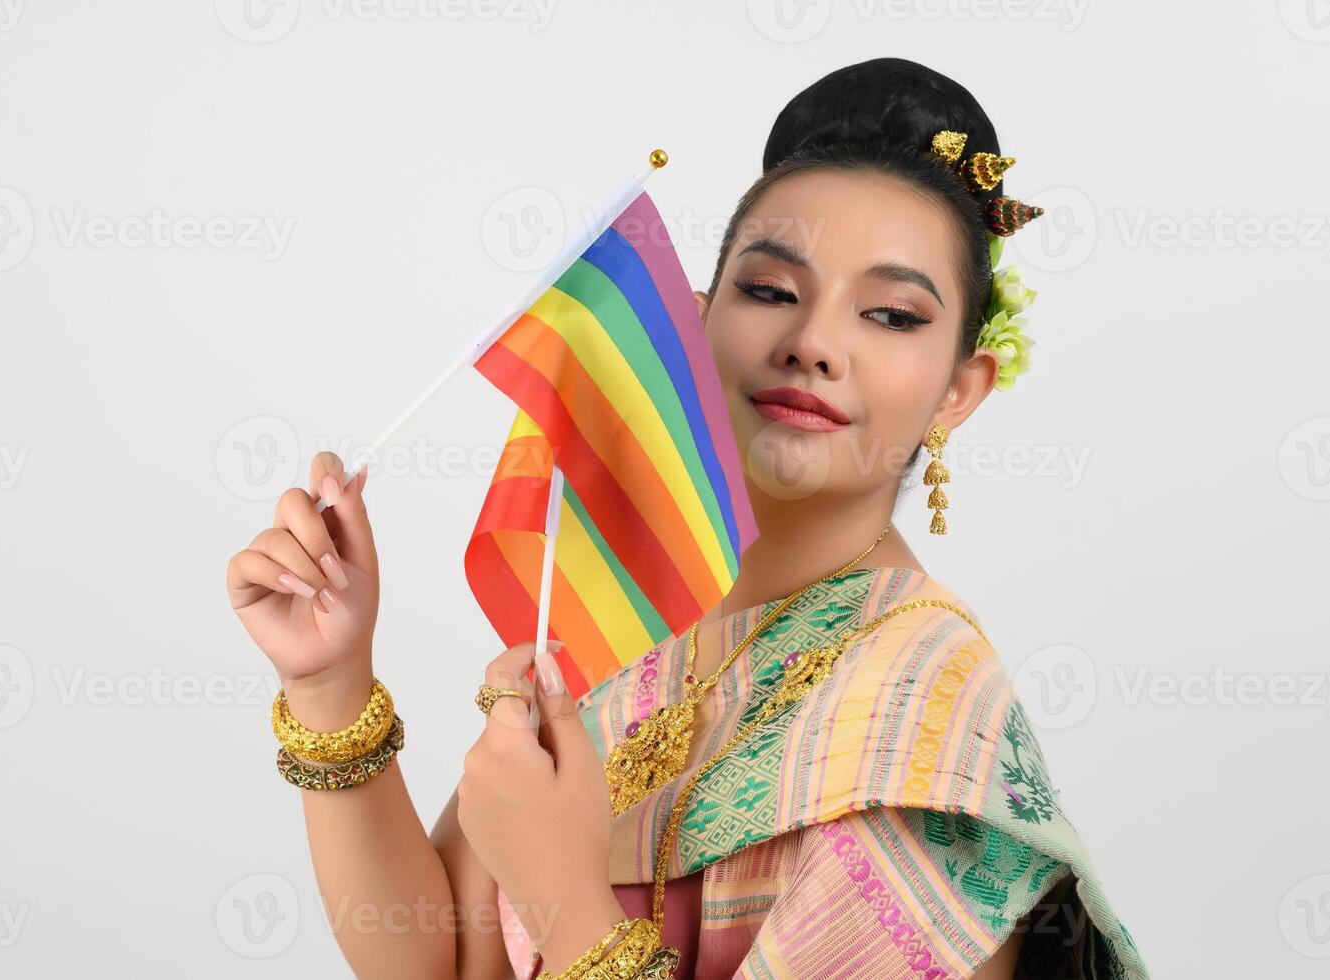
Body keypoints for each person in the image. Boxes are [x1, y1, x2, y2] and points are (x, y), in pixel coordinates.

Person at [225, 57, 1150, 979]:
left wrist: (566, 898)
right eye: (772, 291)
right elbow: (436, 968)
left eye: (890, 313)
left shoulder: (923, 727)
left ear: (958, 389)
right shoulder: (630, 614)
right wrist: (329, 683)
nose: (812, 344)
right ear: (694, 323)